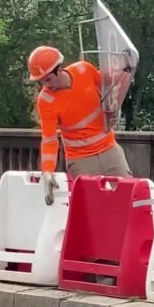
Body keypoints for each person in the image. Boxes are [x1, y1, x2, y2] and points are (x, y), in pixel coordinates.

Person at [28, 45, 132, 206]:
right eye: (41, 81)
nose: (46, 85)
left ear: (59, 69)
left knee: (129, 196)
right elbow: (49, 139)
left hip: (109, 149)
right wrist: (47, 171)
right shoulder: (46, 100)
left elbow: (110, 90)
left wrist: (115, 111)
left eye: (48, 79)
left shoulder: (84, 70)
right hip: (80, 159)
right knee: (90, 207)